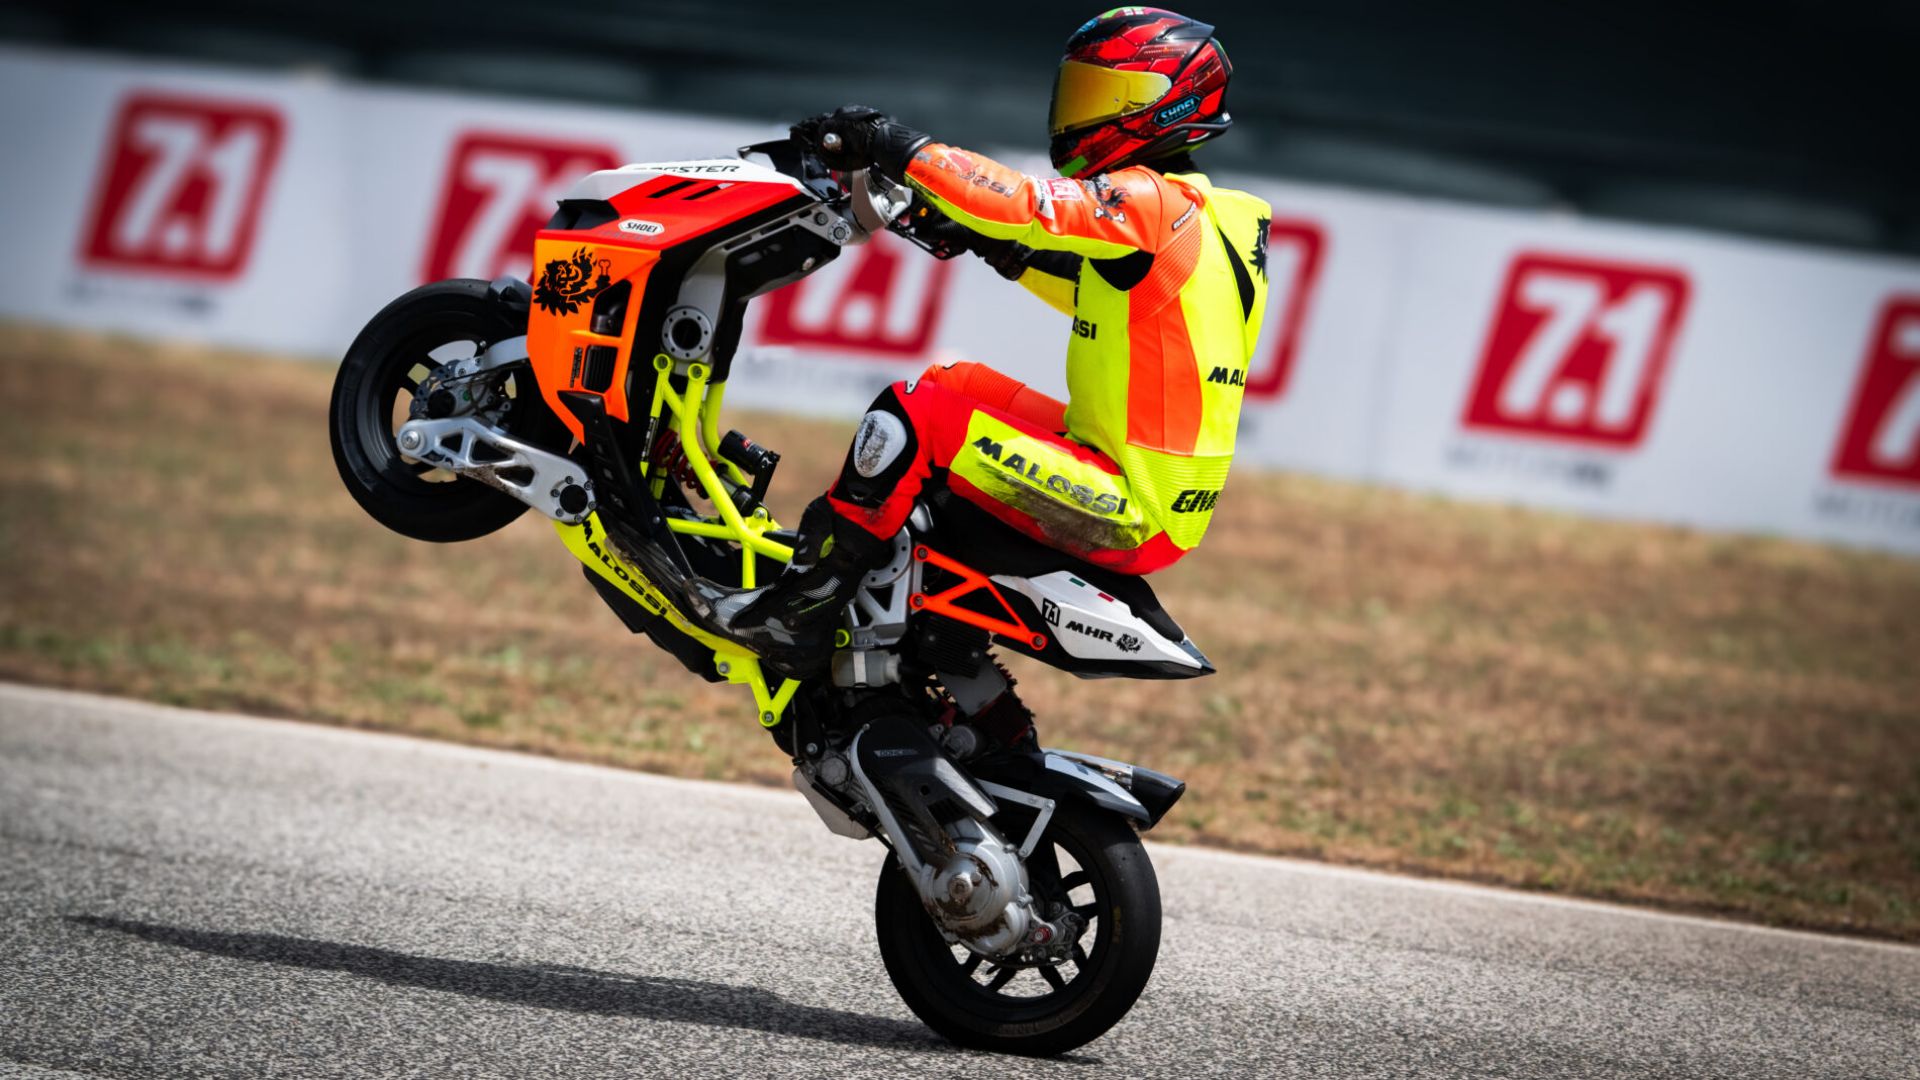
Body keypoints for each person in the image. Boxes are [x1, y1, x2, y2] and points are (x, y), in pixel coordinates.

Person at [712, 7, 1271, 677]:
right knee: (952, 387)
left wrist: (891, 143)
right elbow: (1089, 288)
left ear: (1168, 105)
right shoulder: (1214, 217)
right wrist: (982, 242)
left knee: (916, 415)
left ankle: (802, 611)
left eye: (1107, 96)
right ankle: (902, 607)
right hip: (1139, 485)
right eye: (1079, 91)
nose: (1079, 113)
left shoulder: (1152, 200)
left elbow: (1025, 203)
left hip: (1129, 503)